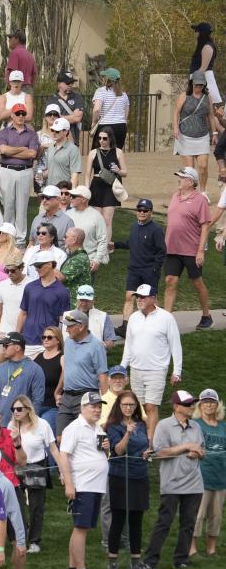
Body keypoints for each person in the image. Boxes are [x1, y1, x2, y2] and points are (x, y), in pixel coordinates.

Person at [143, 390, 206, 569]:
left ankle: (181, 559)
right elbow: (160, 452)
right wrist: (187, 446)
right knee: (164, 523)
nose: (191, 407)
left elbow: (202, 450)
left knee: (188, 524)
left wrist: (197, 453)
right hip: (172, 483)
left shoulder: (196, 427)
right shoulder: (163, 426)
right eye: (188, 404)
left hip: (194, 483)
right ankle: (150, 561)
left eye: (192, 404)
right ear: (176, 407)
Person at [120, 284, 183, 439]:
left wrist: (177, 371)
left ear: (153, 298)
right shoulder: (134, 317)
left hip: (157, 369)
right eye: (138, 297)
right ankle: (140, 440)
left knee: (151, 406)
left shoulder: (166, 318)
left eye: (143, 297)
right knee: (138, 408)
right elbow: (128, 345)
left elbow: (175, 344)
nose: (139, 300)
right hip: (135, 369)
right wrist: (122, 368)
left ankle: (151, 443)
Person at [59, 392, 109, 569]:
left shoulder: (98, 428)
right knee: (81, 527)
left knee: (82, 528)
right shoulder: (74, 428)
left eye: (99, 406)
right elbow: (64, 455)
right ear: (83, 408)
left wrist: (106, 447)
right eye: (93, 406)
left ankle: (72, 568)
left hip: (95, 485)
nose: (97, 410)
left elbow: (101, 454)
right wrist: (69, 484)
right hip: (83, 484)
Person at [103, 390, 151, 569]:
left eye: (132, 405)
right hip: (120, 476)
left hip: (139, 475)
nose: (128, 408)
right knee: (119, 519)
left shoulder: (141, 424)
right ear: (119, 406)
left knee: (136, 520)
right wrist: (128, 434)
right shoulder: (113, 426)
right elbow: (119, 450)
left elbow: (144, 446)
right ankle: (113, 563)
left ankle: (136, 563)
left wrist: (147, 453)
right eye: (125, 405)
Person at [11, 396, 61, 555]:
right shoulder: (12, 425)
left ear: (28, 409)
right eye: (13, 409)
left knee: (36, 506)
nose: (16, 412)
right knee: (16, 506)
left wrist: (62, 471)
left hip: (37, 467)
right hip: (17, 468)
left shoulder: (42, 425)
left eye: (19, 409)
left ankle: (34, 540)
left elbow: (53, 449)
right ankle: (20, 536)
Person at [165, 166, 213, 328]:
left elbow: (205, 226)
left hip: (191, 250)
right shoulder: (174, 196)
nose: (179, 179)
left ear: (191, 182)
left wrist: (201, 251)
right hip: (172, 248)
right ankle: (167, 320)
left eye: (182, 177)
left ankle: (206, 315)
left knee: (197, 282)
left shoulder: (200, 200)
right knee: (170, 280)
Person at [111, 198, 166, 338]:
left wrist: (155, 269)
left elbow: (162, 252)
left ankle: (156, 325)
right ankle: (125, 327)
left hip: (149, 270)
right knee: (129, 296)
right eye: (139, 210)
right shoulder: (134, 226)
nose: (141, 212)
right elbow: (131, 243)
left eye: (145, 210)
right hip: (134, 269)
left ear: (151, 212)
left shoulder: (156, 230)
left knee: (150, 299)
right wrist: (116, 245)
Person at [58, 310, 108, 433]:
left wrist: (106, 405)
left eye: (70, 326)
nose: (67, 330)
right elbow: (67, 368)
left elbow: (103, 376)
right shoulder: (68, 342)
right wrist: (58, 391)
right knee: (61, 436)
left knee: (86, 435)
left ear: (80, 327)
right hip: (66, 396)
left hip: (86, 396)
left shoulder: (96, 346)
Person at [0, 102, 39, 246]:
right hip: (6, 170)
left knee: (21, 207)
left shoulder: (32, 134)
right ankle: (7, 239)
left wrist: (12, 150)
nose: (21, 116)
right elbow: (3, 150)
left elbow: (32, 153)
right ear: (12, 115)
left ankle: (20, 242)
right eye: (18, 113)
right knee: (8, 206)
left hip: (24, 172)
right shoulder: (4, 132)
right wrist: (22, 149)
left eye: (23, 114)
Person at [16, 250, 70, 356]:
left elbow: (64, 320)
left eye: (39, 266)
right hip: (28, 342)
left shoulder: (62, 291)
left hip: (49, 344)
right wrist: (17, 336)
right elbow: (23, 313)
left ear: (50, 264)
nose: (36, 269)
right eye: (35, 266)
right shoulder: (30, 287)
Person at [192, 389, 226, 557]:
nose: (209, 404)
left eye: (212, 401)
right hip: (201, 476)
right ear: (200, 404)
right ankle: (192, 549)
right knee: (198, 515)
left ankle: (211, 549)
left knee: (216, 515)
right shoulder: (196, 424)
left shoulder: (223, 426)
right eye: (205, 402)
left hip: (221, 477)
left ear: (218, 405)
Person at [85, 126, 128, 242]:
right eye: (99, 138)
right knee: (97, 220)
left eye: (104, 138)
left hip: (110, 187)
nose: (101, 141)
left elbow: (125, 173)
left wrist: (118, 171)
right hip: (96, 187)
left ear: (110, 139)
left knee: (107, 220)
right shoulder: (93, 153)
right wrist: (86, 189)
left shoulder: (118, 152)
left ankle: (106, 246)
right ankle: (97, 244)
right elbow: (87, 174)